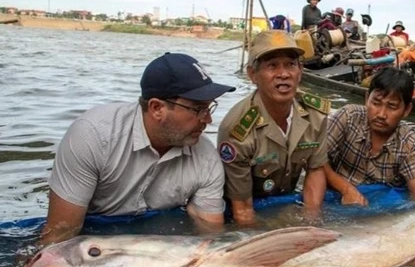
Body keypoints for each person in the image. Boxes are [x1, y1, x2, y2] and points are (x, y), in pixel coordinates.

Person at [41, 53, 236, 245]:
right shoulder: (93, 137)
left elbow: (210, 237)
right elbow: (59, 238)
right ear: (157, 108)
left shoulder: (207, 158)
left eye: (210, 108)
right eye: (198, 109)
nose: (208, 120)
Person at [217, 30, 329, 225]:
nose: (283, 74)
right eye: (272, 66)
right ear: (253, 75)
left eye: (290, 65)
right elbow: (242, 209)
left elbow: (316, 169)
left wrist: (311, 221)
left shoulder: (315, 114)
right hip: (246, 206)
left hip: (286, 200)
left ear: (300, 71)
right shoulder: (237, 129)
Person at [325, 67, 415, 206]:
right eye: (376, 103)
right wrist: (346, 189)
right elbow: (315, 159)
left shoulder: (409, 144)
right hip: (334, 196)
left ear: (406, 110)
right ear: (367, 99)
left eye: (392, 107)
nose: (381, 114)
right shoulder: (348, 117)